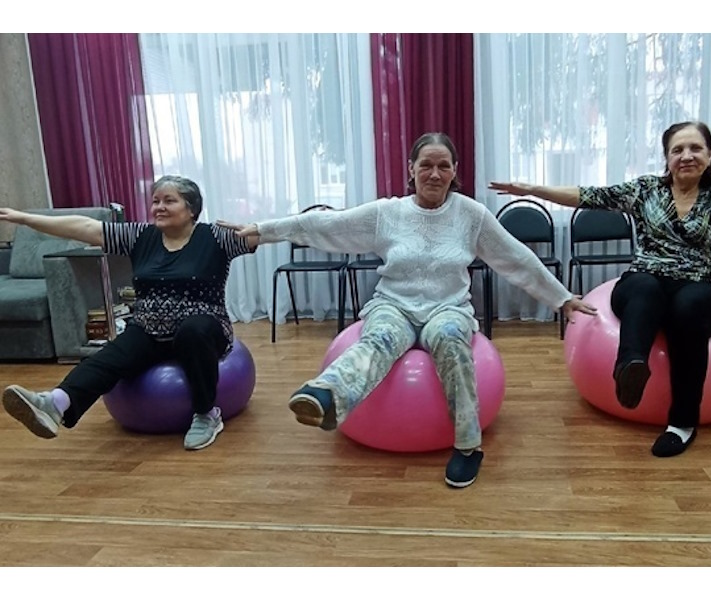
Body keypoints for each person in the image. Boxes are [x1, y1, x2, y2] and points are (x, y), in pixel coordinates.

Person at [219, 132, 597, 488]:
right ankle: (326, 395)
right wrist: (263, 229)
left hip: (448, 307)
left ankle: (468, 447)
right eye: (426, 165)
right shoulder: (388, 213)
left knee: (450, 341)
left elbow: (515, 257)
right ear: (411, 169)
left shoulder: (471, 215)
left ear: (454, 171)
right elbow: (326, 223)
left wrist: (561, 298)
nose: (434, 174)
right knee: (380, 338)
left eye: (443, 166)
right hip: (393, 304)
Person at [490, 120, 711, 458]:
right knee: (645, 288)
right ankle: (631, 368)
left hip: (696, 284)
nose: (686, 155)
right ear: (667, 157)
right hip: (643, 280)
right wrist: (533, 190)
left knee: (689, 306)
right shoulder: (645, 189)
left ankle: (681, 424)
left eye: (695, 148)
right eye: (677, 149)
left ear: (710, 155)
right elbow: (589, 195)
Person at [1, 175, 258, 450]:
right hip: (148, 328)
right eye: (155, 201)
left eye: (169, 201)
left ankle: (207, 414)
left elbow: (262, 238)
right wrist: (24, 218)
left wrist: (255, 230)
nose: (159, 207)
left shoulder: (216, 237)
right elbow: (84, 227)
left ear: (191, 208)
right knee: (110, 356)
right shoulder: (140, 236)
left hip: (204, 330)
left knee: (192, 330)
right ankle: (55, 403)